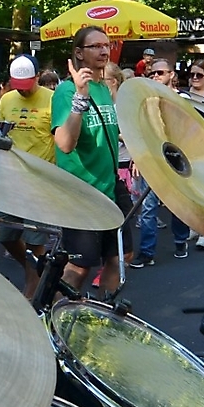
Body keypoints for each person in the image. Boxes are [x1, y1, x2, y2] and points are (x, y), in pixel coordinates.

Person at [53, 28, 132, 298]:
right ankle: (54, 315)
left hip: (110, 185)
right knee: (79, 267)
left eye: (106, 45)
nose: (104, 50)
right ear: (79, 53)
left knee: (121, 256)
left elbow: (108, 133)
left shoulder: (103, 88)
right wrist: (80, 98)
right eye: (95, 46)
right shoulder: (66, 91)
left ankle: (102, 312)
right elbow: (65, 144)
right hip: (81, 192)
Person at [0, 55, 58, 292]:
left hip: (40, 180)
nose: (22, 90)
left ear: (37, 77)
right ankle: (38, 271)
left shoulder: (52, 99)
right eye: (17, 85)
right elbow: (0, 133)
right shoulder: (6, 99)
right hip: (11, 177)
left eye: (27, 84)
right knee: (6, 235)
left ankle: (31, 292)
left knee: (35, 240)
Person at [130, 59, 194, 267]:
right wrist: (136, 156)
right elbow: (140, 130)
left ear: (171, 74)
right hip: (152, 158)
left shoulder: (183, 98)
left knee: (178, 204)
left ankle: (180, 240)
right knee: (148, 207)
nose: (155, 76)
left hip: (177, 158)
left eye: (160, 73)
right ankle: (146, 252)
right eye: (152, 74)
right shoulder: (145, 100)